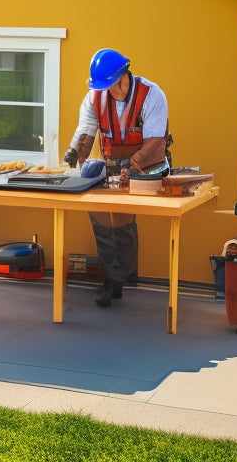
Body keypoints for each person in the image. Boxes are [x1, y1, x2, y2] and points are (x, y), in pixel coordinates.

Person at [63, 48, 170, 308]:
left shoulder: (152, 94)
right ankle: (113, 278)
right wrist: (74, 152)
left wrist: (132, 168)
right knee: (99, 218)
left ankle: (121, 277)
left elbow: (156, 142)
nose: (107, 91)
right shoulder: (94, 97)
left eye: (110, 84)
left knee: (123, 219)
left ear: (124, 75)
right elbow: (85, 130)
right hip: (111, 164)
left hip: (145, 165)